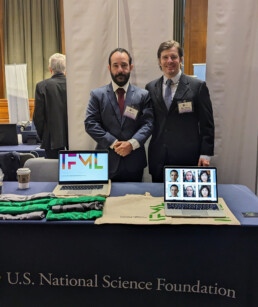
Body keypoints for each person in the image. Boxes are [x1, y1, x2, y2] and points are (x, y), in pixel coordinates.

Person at [146, 40, 215, 182]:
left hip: (187, 158)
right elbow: (148, 122)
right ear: (159, 61)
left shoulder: (197, 87)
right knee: (157, 201)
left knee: (184, 201)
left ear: (181, 60)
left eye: (173, 57)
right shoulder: (150, 88)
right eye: (165, 57)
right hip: (159, 158)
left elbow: (207, 124)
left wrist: (206, 154)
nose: (169, 61)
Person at [85, 48, 153, 182]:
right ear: (109, 68)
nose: (120, 70)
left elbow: (148, 124)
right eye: (115, 65)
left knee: (134, 201)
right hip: (105, 162)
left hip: (134, 162)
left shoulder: (143, 95)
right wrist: (114, 143)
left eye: (124, 65)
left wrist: (131, 144)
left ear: (131, 67)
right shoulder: (97, 95)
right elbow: (90, 124)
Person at [33, 53, 68, 159]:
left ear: (50, 69)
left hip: (52, 140)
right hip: (75, 139)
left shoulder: (42, 86)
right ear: (65, 69)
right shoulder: (74, 85)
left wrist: (43, 137)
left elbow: (38, 117)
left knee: (53, 172)